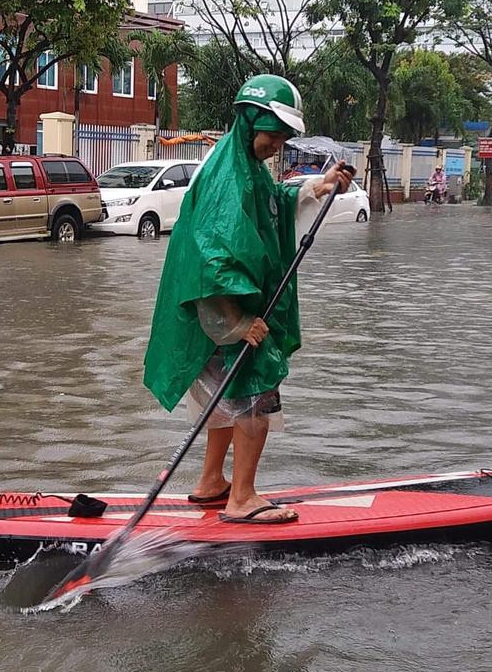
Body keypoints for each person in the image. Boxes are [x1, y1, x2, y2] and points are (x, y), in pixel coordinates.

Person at [143, 74, 353, 525]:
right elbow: (212, 259)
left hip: (220, 317)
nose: (277, 145)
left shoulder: (242, 165)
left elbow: (271, 201)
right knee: (255, 399)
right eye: (272, 135)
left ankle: (211, 484)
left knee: (225, 401)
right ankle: (242, 499)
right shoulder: (228, 177)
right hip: (223, 314)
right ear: (250, 121)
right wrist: (237, 324)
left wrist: (320, 184)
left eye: (282, 138)